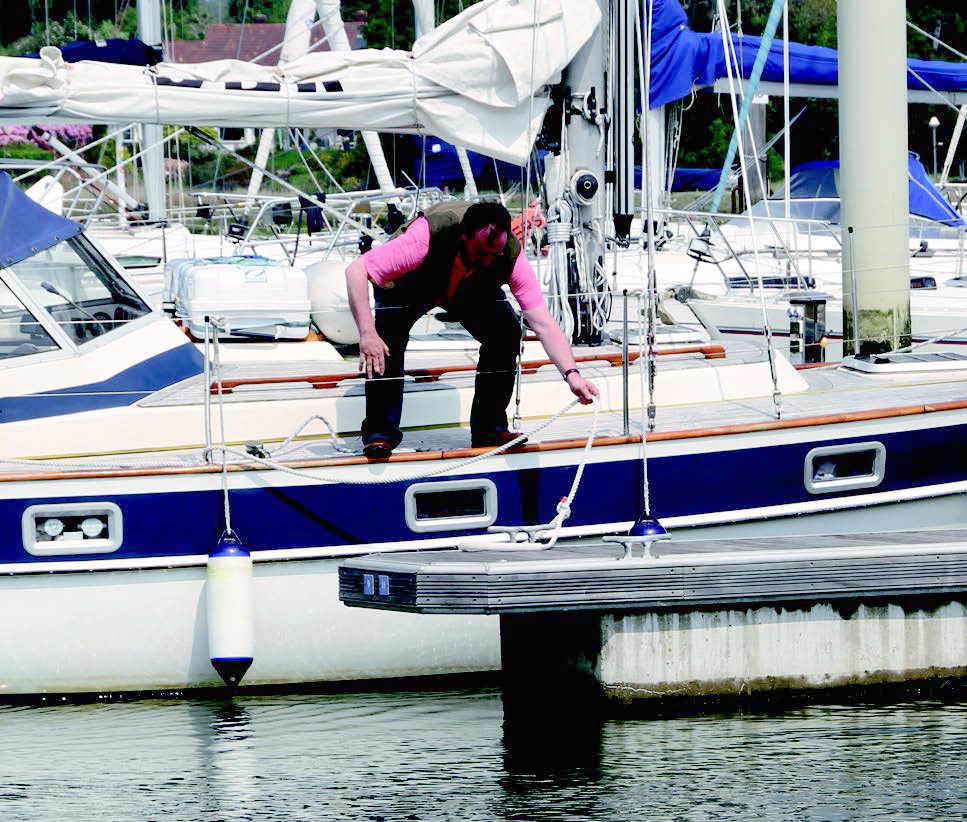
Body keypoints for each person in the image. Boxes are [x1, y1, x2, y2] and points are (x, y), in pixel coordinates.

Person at [345, 200, 598, 459]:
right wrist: (367, 334)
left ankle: (489, 429)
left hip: (468, 288)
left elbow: (542, 321)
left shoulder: (509, 253)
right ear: (463, 236)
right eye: (481, 252)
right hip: (410, 283)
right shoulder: (426, 237)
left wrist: (571, 374)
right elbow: (356, 270)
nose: (488, 260)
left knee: (506, 332)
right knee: (385, 342)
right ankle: (380, 432)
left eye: (494, 254)